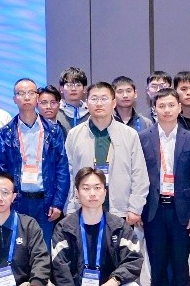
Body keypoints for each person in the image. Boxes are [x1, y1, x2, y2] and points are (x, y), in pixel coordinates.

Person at [140, 88, 190, 286]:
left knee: (180, 262)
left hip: (182, 210)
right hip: (153, 209)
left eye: (171, 105)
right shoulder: (143, 138)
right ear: (154, 109)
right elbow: (138, 176)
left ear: (179, 108)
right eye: (161, 106)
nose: (166, 110)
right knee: (157, 261)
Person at [62, 82, 148, 228]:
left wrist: (135, 208)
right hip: (84, 209)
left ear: (114, 103)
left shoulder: (129, 134)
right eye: (94, 99)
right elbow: (68, 174)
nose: (99, 103)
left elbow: (139, 174)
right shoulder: (74, 134)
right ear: (87, 103)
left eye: (104, 98)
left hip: (120, 210)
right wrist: (70, 207)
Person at [0, 78, 69, 244]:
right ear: (14, 99)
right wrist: (7, 199)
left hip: (46, 203)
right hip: (18, 202)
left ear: (37, 97)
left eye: (30, 93)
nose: (26, 97)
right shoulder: (6, 132)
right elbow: (1, 169)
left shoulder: (53, 131)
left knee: (44, 250)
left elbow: (62, 168)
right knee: (18, 250)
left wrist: (58, 203)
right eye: (21, 93)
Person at [55, 67, 89, 132]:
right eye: (69, 85)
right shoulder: (55, 110)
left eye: (78, 85)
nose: (73, 89)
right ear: (61, 88)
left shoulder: (90, 112)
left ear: (84, 89)